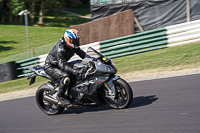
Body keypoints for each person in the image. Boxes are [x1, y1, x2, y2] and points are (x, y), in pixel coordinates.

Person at [44, 29, 87, 106]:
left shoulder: (73, 46)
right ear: (68, 39)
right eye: (75, 40)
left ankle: (74, 94)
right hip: (51, 67)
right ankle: (60, 96)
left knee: (79, 68)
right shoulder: (61, 48)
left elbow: (82, 54)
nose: (76, 42)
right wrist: (75, 71)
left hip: (61, 64)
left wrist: (93, 59)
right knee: (66, 77)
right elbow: (62, 65)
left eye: (77, 40)